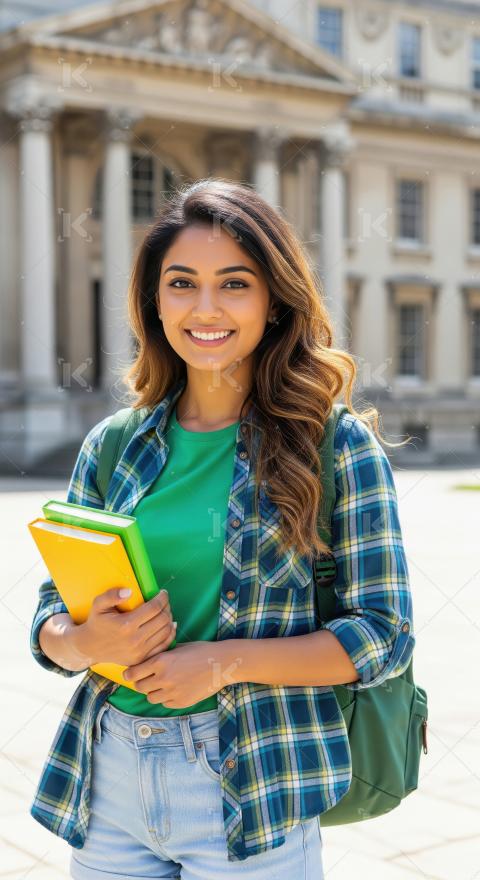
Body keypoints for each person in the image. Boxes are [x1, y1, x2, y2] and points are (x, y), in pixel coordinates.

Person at [30, 178, 415, 880]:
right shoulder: (113, 445)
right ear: (155, 302)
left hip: (255, 779)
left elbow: (384, 635)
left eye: (234, 284)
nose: (205, 308)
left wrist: (221, 662)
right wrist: (85, 639)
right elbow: (49, 624)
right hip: (109, 773)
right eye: (182, 284)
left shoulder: (334, 443)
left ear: (273, 302)